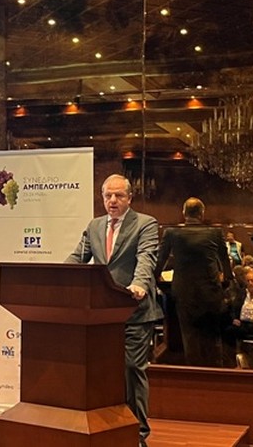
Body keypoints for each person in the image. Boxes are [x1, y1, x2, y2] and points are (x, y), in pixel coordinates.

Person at [66, 174, 161, 447]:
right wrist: (57, 277)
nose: (112, 201)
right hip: (102, 315)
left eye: (118, 195)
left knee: (131, 369)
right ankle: (108, 428)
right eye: (108, 195)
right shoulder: (94, 226)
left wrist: (139, 284)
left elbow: (146, 258)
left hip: (135, 311)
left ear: (129, 198)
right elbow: (78, 257)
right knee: (103, 373)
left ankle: (138, 434)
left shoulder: (145, 224)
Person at [156, 197, 229, 367]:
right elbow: (226, 266)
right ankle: (215, 372)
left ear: (184, 213)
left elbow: (159, 263)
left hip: (184, 292)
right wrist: (223, 285)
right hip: (210, 291)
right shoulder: (215, 233)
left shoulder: (171, 233)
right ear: (202, 214)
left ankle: (193, 371)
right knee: (212, 338)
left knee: (189, 337)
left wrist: (161, 283)